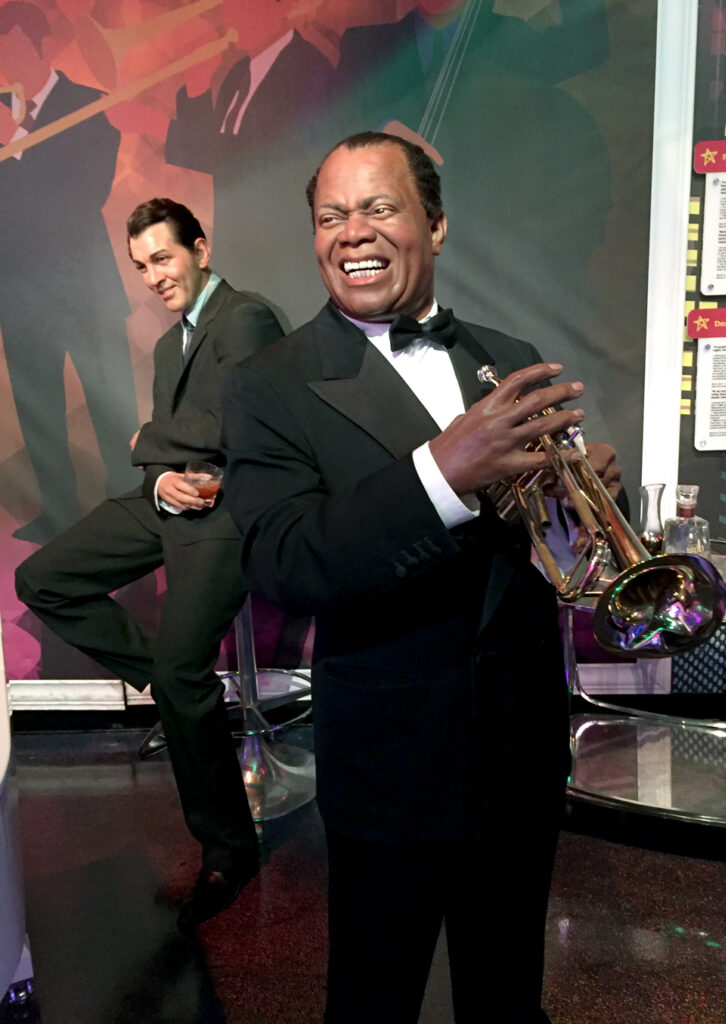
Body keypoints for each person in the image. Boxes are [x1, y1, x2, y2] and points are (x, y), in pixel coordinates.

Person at [222, 131, 620, 1021]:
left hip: (520, 752)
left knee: (508, 994)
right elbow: (287, 559)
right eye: (331, 216)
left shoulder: (503, 351)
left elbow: (532, 553)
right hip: (394, 765)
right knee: (374, 998)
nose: (351, 232)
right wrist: (442, 470)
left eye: (379, 206)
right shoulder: (268, 382)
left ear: (435, 225)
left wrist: (573, 499)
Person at [16, 198, 284, 931]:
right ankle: (168, 677)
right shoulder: (172, 347)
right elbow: (183, 446)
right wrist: (158, 473)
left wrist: (145, 440)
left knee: (182, 675)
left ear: (199, 247)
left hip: (227, 514)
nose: (152, 277)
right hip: (168, 501)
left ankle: (229, 849)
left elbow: (240, 424)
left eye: (163, 258)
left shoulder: (246, 317)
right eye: (139, 267)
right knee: (40, 580)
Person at [0, 1, 140, 542]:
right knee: (39, 416)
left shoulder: (88, 105)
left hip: (84, 293)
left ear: (39, 46)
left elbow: (82, 198)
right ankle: (57, 514)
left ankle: (127, 515)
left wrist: (13, 144)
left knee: (114, 411)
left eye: (10, 45)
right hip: (19, 297)